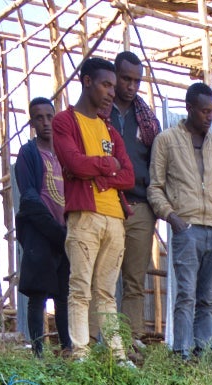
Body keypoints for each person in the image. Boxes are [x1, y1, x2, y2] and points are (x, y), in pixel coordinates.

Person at [52, 57, 135, 361]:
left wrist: (96, 172)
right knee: (79, 289)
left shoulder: (110, 131)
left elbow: (129, 176)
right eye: (106, 84)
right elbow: (72, 162)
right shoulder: (65, 121)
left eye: (114, 86)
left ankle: (117, 355)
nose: (112, 92)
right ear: (87, 81)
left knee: (105, 293)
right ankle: (80, 354)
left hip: (114, 217)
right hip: (84, 216)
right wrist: (106, 166)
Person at [148, 82, 212, 358]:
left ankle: (202, 354)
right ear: (189, 109)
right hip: (186, 229)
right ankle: (180, 354)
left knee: (209, 298)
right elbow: (154, 186)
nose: (210, 117)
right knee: (186, 294)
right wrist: (172, 218)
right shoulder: (167, 140)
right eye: (204, 111)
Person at [14, 97, 73, 357]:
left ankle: (66, 349)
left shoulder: (65, 153)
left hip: (66, 232)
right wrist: (53, 230)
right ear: (32, 122)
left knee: (63, 296)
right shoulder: (29, 153)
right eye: (40, 117)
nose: (46, 122)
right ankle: (38, 352)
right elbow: (28, 197)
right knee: (38, 295)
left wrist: (68, 230)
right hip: (41, 232)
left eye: (50, 116)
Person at [109, 51, 160, 345]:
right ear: (114, 76)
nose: (131, 86)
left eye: (136, 81)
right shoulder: (99, 113)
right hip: (105, 203)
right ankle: (93, 341)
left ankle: (129, 341)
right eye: (125, 78)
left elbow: (157, 163)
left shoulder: (147, 121)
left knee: (133, 280)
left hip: (140, 207)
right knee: (100, 279)